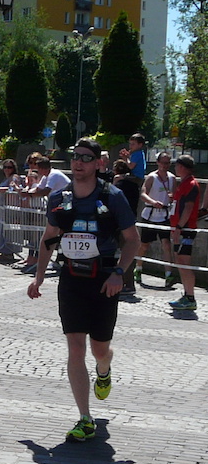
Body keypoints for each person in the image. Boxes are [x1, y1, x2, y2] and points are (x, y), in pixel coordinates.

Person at [27, 138, 138, 442]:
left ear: (99, 164)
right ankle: (85, 418)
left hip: (104, 280)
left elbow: (132, 239)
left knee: (99, 349)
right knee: (75, 348)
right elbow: (49, 237)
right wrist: (39, 277)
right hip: (72, 279)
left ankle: (104, 367)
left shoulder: (112, 197)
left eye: (86, 158)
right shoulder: (59, 198)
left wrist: (118, 273)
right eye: (76, 157)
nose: (79, 162)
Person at [135, 152, 176, 288]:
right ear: (158, 163)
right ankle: (138, 268)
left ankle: (168, 274)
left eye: (167, 163)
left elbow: (175, 196)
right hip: (150, 215)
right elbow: (143, 193)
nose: (165, 166)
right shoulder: (152, 177)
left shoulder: (172, 178)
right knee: (144, 245)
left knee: (166, 244)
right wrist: (153, 202)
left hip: (165, 215)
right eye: (163, 163)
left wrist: (172, 197)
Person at [168, 154, 200, 311]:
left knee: (184, 262)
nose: (175, 168)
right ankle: (187, 295)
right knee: (180, 261)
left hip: (185, 230)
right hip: (179, 229)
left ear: (182, 167)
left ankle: (190, 297)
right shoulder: (183, 184)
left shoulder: (191, 184)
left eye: (176, 165)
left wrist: (179, 227)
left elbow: (188, 208)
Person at [112, 159, 141, 293]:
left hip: (118, 224)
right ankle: (129, 283)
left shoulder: (118, 186)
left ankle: (126, 283)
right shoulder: (134, 185)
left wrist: (114, 184)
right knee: (129, 254)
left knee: (119, 253)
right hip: (131, 221)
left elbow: (111, 200)